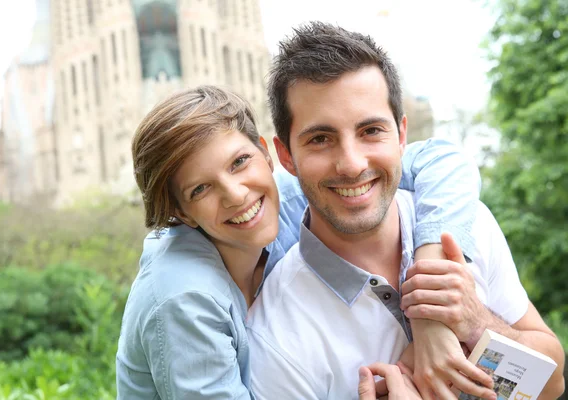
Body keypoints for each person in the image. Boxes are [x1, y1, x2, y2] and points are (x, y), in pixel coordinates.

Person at [246, 21, 565, 400]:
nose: (351, 163)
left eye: (370, 131)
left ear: (401, 136)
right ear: (286, 157)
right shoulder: (276, 334)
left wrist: (476, 324)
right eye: (320, 139)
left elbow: (552, 384)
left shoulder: (469, 224)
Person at [116, 83, 486, 399]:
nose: (235, 194)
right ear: (180, 213)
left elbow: (441, 160)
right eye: (200, 188)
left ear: (266, 153)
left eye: (239, 162)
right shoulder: (183, 300)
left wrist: (431, 310)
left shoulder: (286, 200)